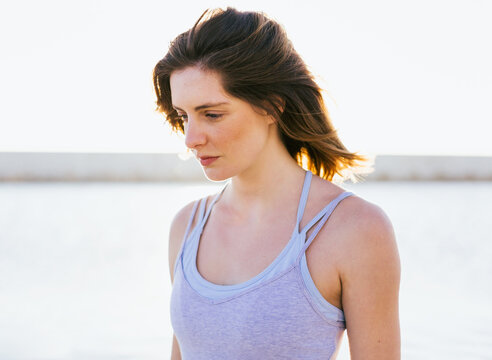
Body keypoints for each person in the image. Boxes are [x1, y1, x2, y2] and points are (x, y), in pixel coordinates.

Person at [153, 7, 400, 360]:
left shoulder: (354, 229)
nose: (191, 138)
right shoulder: (187, 226)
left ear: (271, 106)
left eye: (212, 114)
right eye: (183, 116)